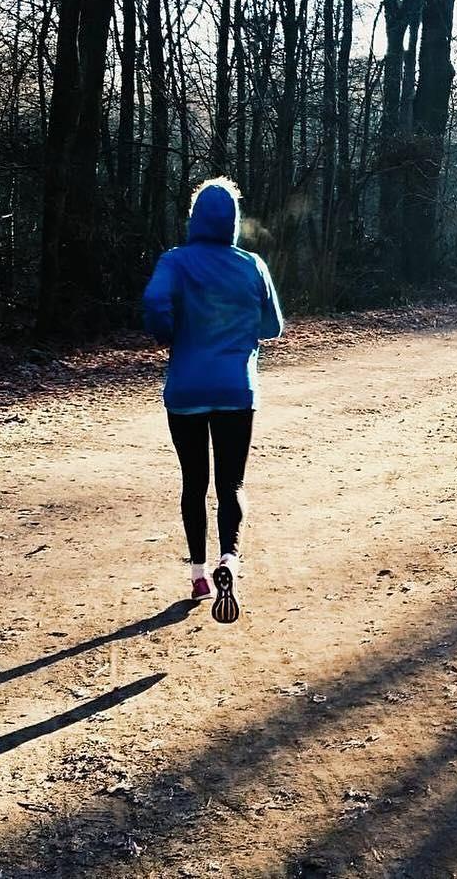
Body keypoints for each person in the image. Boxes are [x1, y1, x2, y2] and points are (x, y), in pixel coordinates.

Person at [143, 177, 283, 622]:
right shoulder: (252, 264)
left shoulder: (175, 261)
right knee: (231, 485)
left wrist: (169, 330)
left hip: (185, 390)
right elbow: (273, 326)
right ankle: (230, 560)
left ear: (193, 219)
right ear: (234, 223)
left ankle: (199, 575)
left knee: (193, 483)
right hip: (235, 390)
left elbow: (153, 302)